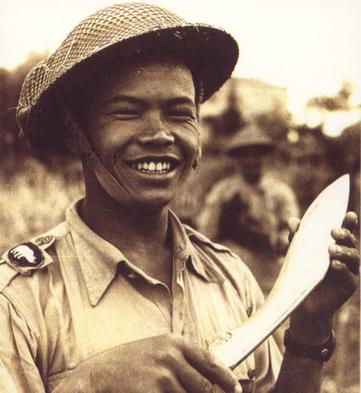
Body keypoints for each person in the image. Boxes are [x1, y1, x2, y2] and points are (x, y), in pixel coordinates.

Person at [0, 3, 358, 393]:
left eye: (178, 113)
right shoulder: (19, 298)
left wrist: (309, 323)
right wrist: (88, 382)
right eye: (127, 112)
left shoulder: (230, 279)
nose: (160, 134)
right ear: (76, 132)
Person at [197, 124, 300, 293]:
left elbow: (292, 233)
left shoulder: (280, 193)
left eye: (257, 154)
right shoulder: (223, 193)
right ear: (237, 158)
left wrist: (274, 240)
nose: (252, 160)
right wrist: (228, 225)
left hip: (269, 278)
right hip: (230, 279)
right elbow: (205, 235)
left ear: (265, 157)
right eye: (245, 155)